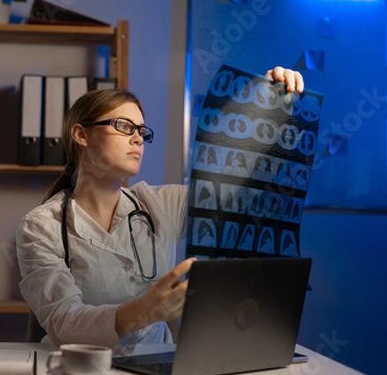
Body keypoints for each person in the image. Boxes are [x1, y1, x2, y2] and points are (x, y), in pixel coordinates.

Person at [16, 67, 304, 353]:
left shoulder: (160, 204)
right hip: (80, 371)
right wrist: (146, 310)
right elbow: (63, 323)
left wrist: (271, 105)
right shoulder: (41, 226)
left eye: (141, 131)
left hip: (155, 367)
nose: (138, 139)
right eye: (124, 127)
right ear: (81, 134)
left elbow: (237, 188)